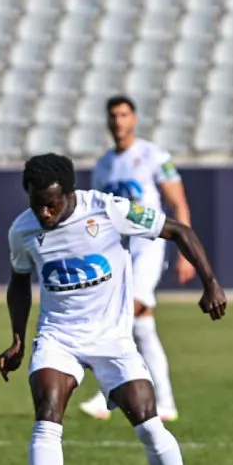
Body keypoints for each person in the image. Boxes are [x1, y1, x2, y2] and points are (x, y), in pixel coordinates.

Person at [0, 153, 226, 465]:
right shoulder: (23, 230)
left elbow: (178, 231)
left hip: (113, 340)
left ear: (69, 193)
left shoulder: (107, 210)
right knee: (47, 414)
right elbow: (19, 282)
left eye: (52, 203)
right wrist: (18, 338)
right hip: (58, 337)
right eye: (38, 204)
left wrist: (210, 283)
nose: (45, 212)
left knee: (149, 425)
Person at [79, 95, 195, 422]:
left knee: (124, 313)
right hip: (118, 251)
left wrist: (186, 253)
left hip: (149, 247)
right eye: (113, 115)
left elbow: (179, 205)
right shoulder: (103, 165)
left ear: (134, 118)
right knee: (142, 326)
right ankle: (167, 402)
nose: (118, 121)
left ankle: (107, 394)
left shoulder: (153, 156)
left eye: (124, 114)